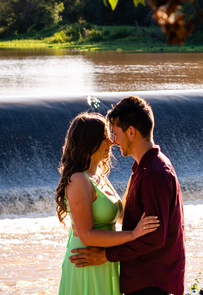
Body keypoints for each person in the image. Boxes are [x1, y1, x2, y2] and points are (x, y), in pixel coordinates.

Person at [69, 96, 186, 295]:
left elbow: (154, 238)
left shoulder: (153, 173)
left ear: (131, 132)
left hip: (152, 282)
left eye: (114, 133)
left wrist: (106, 255)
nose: (113, 142)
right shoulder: (142, 168)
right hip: (145, 279)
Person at [56, 112, 160, 295]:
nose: (111, 142)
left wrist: (138, 175)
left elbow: (121, 215)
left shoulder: (99, 176)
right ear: (91, 142)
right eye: (105, 138)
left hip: (104, 259)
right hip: (86, 260)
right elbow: (87, 235)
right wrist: (133, 235)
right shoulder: (79, 179)